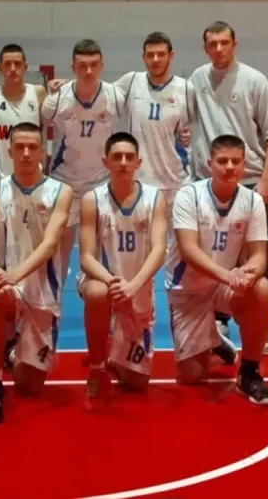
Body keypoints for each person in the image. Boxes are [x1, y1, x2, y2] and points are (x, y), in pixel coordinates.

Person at [187, 21, 268, 355]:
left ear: (235, 44)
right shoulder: (197, 79)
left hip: (249, 183)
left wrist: (266, 180)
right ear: (205, 48)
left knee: (257, 257)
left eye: (224, 43)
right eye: (212, 44)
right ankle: (219, 320)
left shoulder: (255, 81)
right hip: (208, 187)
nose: (218, 49)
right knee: (214, 255)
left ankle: (263, 326)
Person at [164, 134, 268, 406]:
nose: (229, 167)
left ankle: (249, 373)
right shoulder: (189, 195)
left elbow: (259, 254)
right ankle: (215, 340)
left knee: (262, 289)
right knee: (193, 375)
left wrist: (250, 273)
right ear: (209, 163)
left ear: (244, 165)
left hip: (221, 287)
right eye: (222, 161)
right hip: (187, 290)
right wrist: (229, 276)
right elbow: (189, 250)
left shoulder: (253, 201)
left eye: (236, 161)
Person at [0, 123, 73, 423]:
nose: (27, 153)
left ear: (42, 151)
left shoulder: (61, 191)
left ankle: (12, 351)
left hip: (42, 287)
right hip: (7, 282)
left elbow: (50, 244)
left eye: (33, 147)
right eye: (20, 147)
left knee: (30, 387)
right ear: (9, 151)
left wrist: (15, 275)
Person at [76, 132, 167, 405]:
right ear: (106, 162)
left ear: (139, 162)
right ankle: (96, 369)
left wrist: (133, 287)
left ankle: (116, 351)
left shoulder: (155, 198)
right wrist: (114, 284)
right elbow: (86, 258)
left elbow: (159, 250)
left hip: (137, 287)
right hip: (103, 281)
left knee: (138, 384)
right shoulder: (92, 199)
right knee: (97, 293)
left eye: (129, 157)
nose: (123, 162)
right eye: (117, 157)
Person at [41, 39, 126, 278]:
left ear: (102, 66)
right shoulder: (55, 101)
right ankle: (54, 299)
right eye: (82, 65)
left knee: (102, 254)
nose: (88, 71)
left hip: (101, 184)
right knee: (58, 252)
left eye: (94, 65)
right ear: (73, 67)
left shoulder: (115, 97)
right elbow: (35, 133)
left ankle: (98, 294)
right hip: (64, 184)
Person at [114, 32, 194, 216]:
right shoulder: (131, 81)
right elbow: (100, 92)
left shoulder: (186, 88)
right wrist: (67, 84)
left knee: (180, 235)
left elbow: (195, 128)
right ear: (143, 57)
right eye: (150, 55)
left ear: (171, 55)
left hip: (177, 183)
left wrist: (188, 135)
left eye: (161, 54)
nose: (155, 59)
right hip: (140, 181)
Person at [0, 44, 45, 182]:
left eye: (17, 64)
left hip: (33, 177)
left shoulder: (38, 93)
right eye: (8, 64)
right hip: (0, 177)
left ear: (25, 67)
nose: (13, 69)